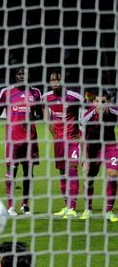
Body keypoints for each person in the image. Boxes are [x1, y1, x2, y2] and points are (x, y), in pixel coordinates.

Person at [0, 66, 43, 215]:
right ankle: (10, 206)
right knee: (11, 172)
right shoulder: (6, 92)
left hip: (30, 139)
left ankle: (25, 205)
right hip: (12, 140)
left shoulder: (36, 93)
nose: (22, 76)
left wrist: (33, 117)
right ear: (16, 76)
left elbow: (39, 114)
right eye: (20, 74)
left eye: (25, 74)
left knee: (28, 173)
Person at [43, 71, 84, 219]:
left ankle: (72, 207)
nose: (54, 82)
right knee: (61, 172)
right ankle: (66, 206)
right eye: (51, 80)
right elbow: (44, 110)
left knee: (72, 168)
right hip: (58, 140)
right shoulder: (47, 97)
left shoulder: (74, 96)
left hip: (72, 140)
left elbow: (89, 109)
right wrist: (50, 129)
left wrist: (82, 130)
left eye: (56, 80)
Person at [79, 91, 118, 222]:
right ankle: (87, 208)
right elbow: (82, 139)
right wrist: (84, 160)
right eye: (97, 102)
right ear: (93, 102)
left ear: (108, 102)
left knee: (112, 174)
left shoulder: (114, 112)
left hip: (109, 147)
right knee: (89, 179)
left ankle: (108, 211)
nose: (100, 105)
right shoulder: (87, 116)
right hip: (92, 148)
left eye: (103, 102)